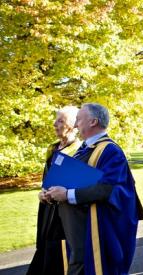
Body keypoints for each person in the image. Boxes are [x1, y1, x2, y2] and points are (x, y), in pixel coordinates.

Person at [46, 103, 143, 275]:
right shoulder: (85, 149)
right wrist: (51, 192)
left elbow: (106, 189)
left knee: (88, 266)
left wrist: (66, 194)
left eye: (79, 120)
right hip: (79, 222)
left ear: (93, 121)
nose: (76, 125)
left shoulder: (110, 151)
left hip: (98, 224)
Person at [28, 106, 82, 275]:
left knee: (60, 256)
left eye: (61, 121)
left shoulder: (80, 151)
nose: (54, 124)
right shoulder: (52, 149)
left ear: (74, 126)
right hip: (47, 211)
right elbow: (47, 179)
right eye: (56, 119)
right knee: (44, 251)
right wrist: (42, 192)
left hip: (65, 215)